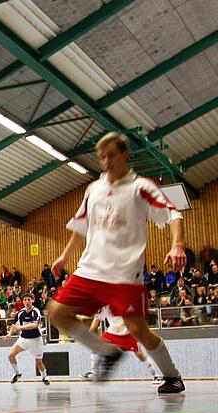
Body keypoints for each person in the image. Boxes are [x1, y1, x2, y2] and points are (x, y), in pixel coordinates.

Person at [48, 132, 186, 394]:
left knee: (139, 331)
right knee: (56, 312)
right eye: (101, 157)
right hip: (90, 269)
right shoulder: (94, 190)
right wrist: (65, 256)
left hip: (125, 274)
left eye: (111, 154)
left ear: (124, 154)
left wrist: (177, 244)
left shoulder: (141, 187)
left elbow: (174, 214)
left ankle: (172, 376)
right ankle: (106, 352)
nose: (106, 161)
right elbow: (81, 227)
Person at [80, 306, 161, 385]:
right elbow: (97, 318)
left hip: (128, 333)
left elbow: (129, 316)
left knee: (140, 354)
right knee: (96, 347)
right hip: (112, 333)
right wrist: (89, 333)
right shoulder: (104, 306)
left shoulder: (122, 301)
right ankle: (94, 373)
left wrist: (121, 324)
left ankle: (156, 376)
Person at [5, 294, 49, 385]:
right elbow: (13, 325)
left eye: (29, 299)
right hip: (23, 339)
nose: (27, 301)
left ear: (32, 300)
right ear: (23, 301)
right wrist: (9, 334)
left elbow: (34, 325)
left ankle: (44, 377)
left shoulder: (36, 311)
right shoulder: (20, 313)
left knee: (39, 363)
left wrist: (20, 328)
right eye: (25, 300)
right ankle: (17, 373)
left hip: (36, 340)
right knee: (10, 355)